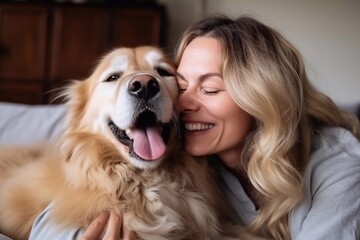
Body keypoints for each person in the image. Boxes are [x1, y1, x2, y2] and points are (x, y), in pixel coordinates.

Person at [27, 15, 360, 240]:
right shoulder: (189, 152)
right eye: (181, 85)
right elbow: (49, 218)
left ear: (263, 97)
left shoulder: (338, 168)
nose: (183, 103)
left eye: (211, 88)